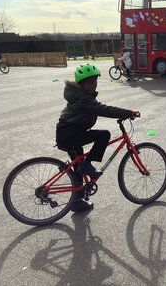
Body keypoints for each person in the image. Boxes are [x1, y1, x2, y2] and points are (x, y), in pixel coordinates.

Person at [56, 63, 139, 212]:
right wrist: (128, 112)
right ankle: (86, 166)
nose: (92, 85)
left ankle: (77, 201)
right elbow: (103, 109)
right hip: (69, 134)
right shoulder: (83, 99)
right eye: (88, 82)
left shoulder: (80, 95)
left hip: (68, 133)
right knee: (104, 135)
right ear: (81, 83)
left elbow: (98, 108)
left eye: (94, 81)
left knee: (78, 167)